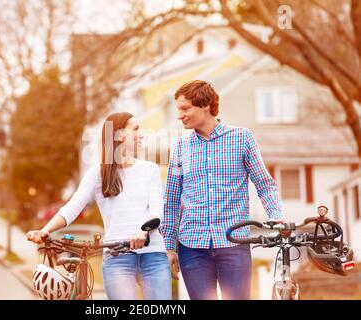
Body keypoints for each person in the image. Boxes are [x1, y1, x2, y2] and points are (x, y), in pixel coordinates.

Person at [27, 112, 172, 300]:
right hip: (117, 257)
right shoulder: (97, 174)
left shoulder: (149, 169)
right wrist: (44, 231)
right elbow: (72, 208)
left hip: (152, 253)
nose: (141, 134)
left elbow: (156, 211)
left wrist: (143, 232)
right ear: (119, 135)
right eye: (135, 129)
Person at [161, 80, 283, 300]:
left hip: (233, 242)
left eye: (185, 108)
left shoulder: (242, 138)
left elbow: (265, 184)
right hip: (192, 246)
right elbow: (171, 199)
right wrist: (169, 246)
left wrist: (276, 216)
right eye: (179, 109)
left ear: (205, 105)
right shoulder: (180, 147)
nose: (180, 115)